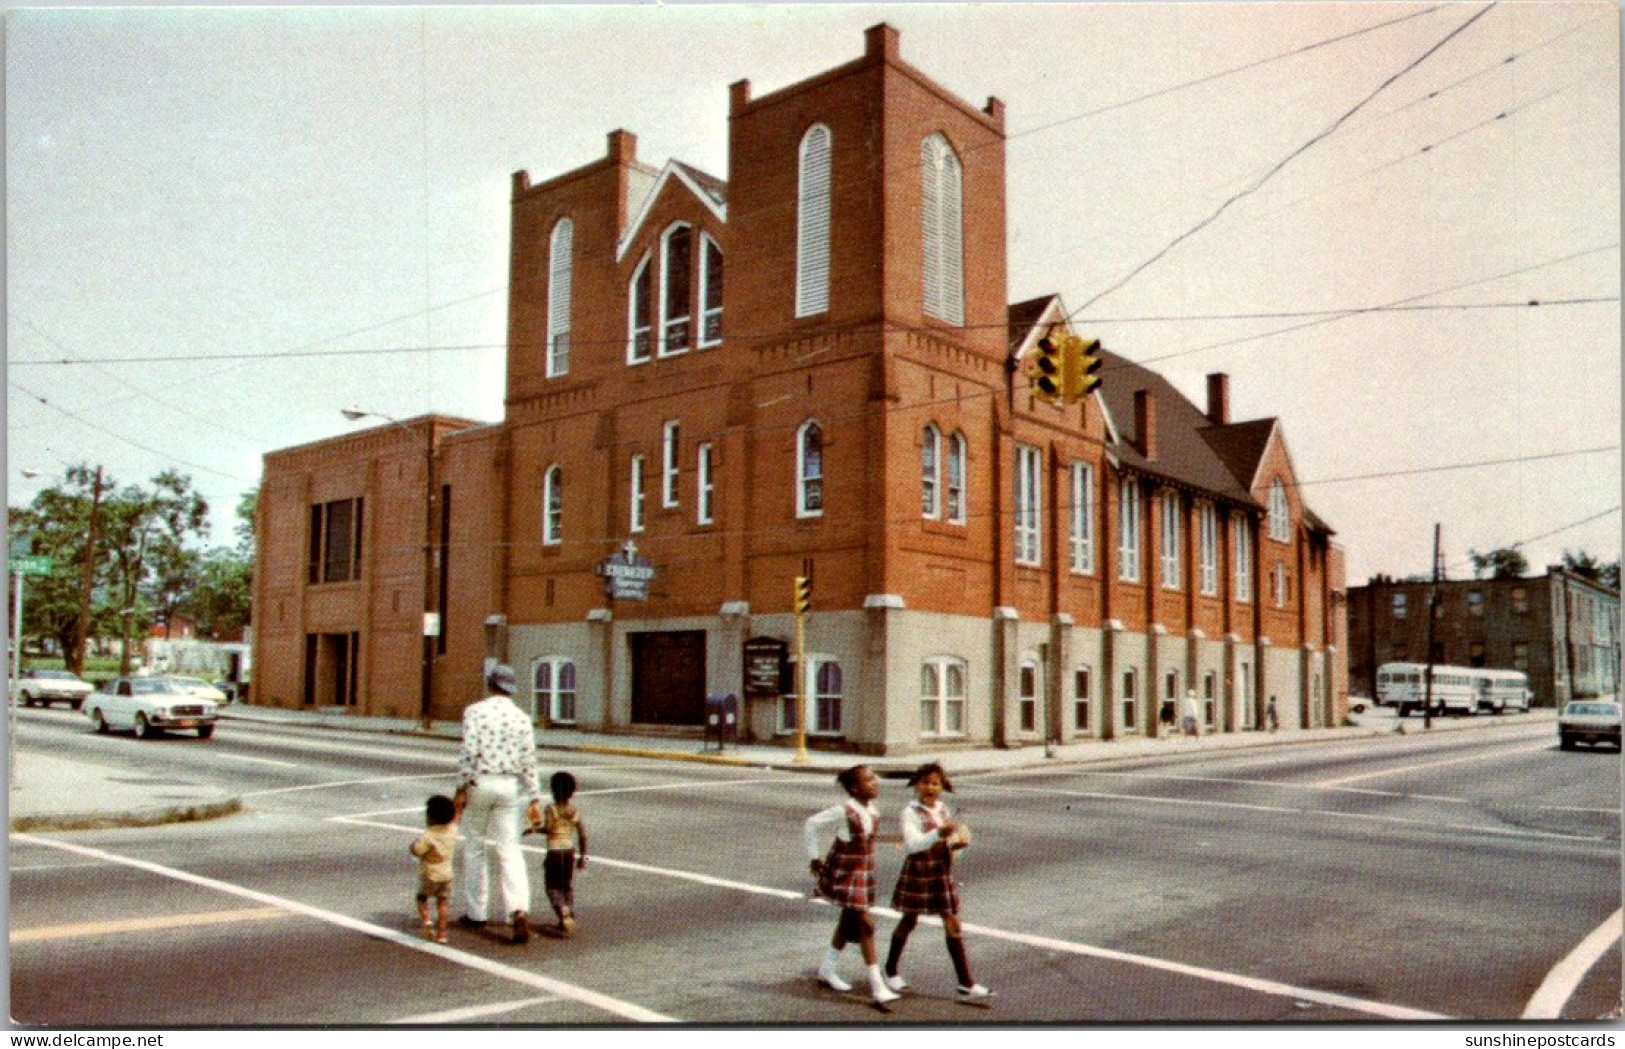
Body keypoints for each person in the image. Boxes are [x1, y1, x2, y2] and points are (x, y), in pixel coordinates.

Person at [883, 762, 991, 1002]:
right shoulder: (910, 812)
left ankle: (966, 982)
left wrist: (956, 843)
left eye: (935, 783)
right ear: (917, 785)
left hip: (941, 870)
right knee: (909, 920)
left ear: (942, 786)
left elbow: (948, 840)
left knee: (953, 921)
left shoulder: (942, 809)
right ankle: (890, 970)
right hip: (920, 870)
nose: (930, 787)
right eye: (925, 782)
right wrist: (938, 834)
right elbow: (912, 845)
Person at [455, 662, 542, 945]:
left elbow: (469, 753)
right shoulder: (521, 718)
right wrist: (534, 796)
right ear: (511, 689)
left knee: (475, 847)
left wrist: (461, 787)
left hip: (481, 782)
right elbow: (529, 761)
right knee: (510, 850)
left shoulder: (475, 712)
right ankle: (518, 909)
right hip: (509, 786)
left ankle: (476, 911)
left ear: (490, 684)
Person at [804, 765, 899, 1005]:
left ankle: (827, 969)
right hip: (845, 874)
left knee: (847, 923)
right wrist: (814, 858)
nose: (875, 782)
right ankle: (878, 987)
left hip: (863, 873)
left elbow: (869, 840)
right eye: (869, 780)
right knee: (866, 925)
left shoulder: (873, 812)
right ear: (856, 788)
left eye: (875, 778)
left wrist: (904, 840)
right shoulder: (845, 810)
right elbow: (811, 824)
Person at [541, 770, 588, 937]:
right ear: (571, 792)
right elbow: (582, 834)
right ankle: (568, 912)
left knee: (552, 886)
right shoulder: (573, 811)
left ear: (553, 790)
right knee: (566, 885)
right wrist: (584, 857)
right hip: (569, 852)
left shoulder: (550, 809)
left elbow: (549, 829)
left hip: (554, 852)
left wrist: (534, 829)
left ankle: (562, 911)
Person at [409, 794, 459, 943]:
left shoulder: (428, 836)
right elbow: (456, 820)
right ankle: (442, 934)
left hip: (430, 875)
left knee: (422, 898)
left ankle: (426, 920)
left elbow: (417, 851)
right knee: (442, 903)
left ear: (431, 817)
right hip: (446, 875)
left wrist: (413, 846)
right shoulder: (453, 830)